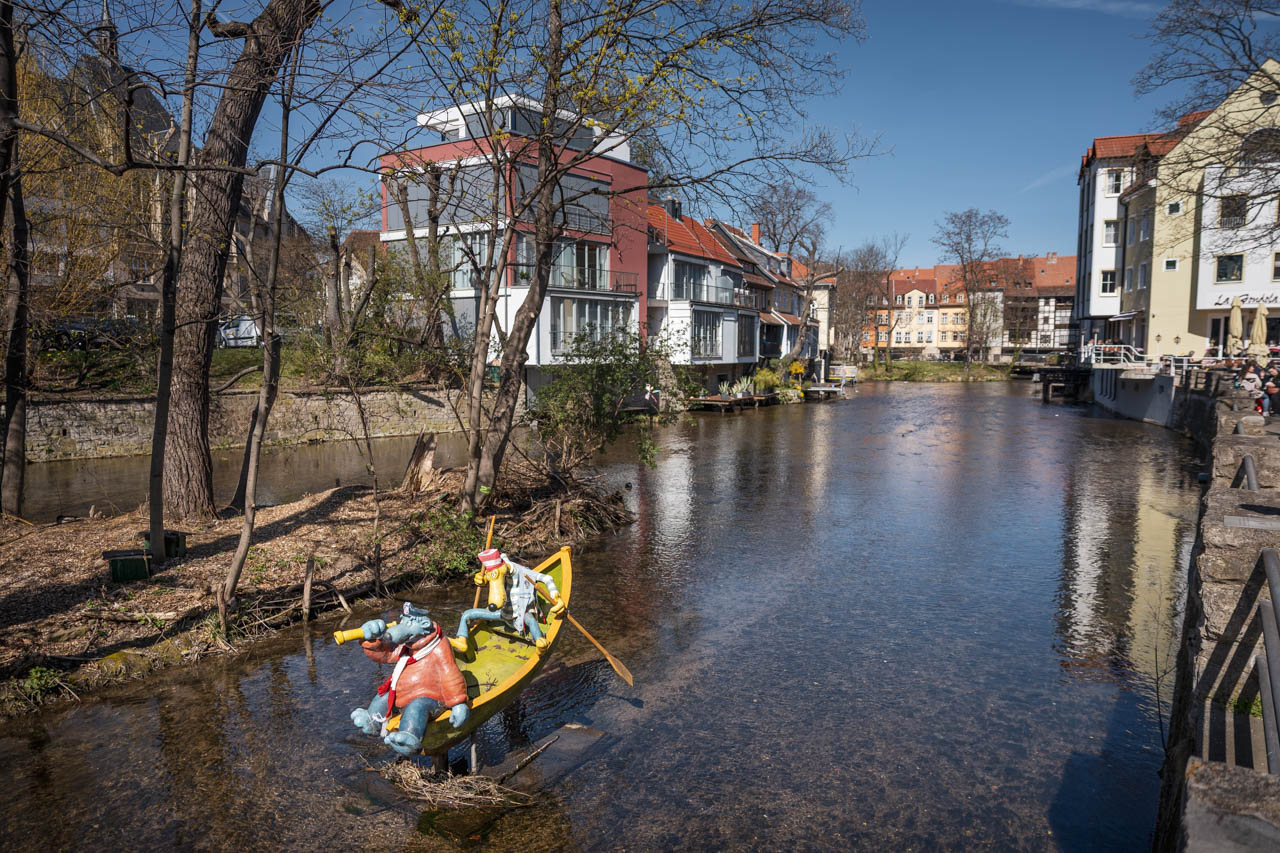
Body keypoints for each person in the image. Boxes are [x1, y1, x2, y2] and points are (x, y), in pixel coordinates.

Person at [350, 602, 470, 756]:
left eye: (408, 623)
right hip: (403, 693)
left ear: (424, 625)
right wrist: (372, 641)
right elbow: (386, 654)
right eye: (403, 622)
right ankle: (373, 722)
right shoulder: (409, 646)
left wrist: (458, 703)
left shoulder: (437, 646)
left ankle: (409, 738)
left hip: (430, 697)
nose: (402, 627)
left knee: (416, 707)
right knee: (384, 697)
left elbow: (450, 672)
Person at [450, 548, 566, 654]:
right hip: (502, 614)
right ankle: (462, 640)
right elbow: (491, 579)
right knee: (467, 614)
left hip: (520, 616)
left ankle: (540, 642)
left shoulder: (522, 572)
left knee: (530, 619)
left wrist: (557, 598)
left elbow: (547, 578)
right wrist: (482, 580)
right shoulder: (496, 571)